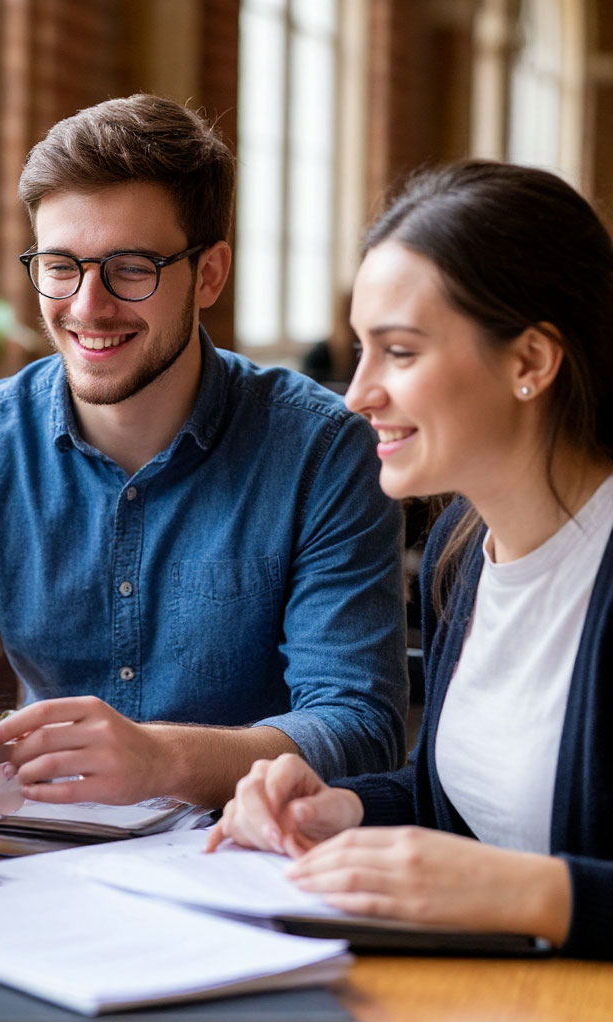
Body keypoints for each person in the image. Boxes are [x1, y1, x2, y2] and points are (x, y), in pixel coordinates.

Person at [0, 94, 407, 809]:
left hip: (244, 844)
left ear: (210, 274)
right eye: (61, 265)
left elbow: (360, 725)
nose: (87, 306)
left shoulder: (323, 450)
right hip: (34, 842)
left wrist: (162, 760)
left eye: (132, 267)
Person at [208, 160, 613, 957]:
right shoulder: (460, 556)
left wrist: (532, 894)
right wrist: (343, 808)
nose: (357, 393)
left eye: (398, 351)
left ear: (531, 361)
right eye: (361, 348)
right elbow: (464, 805)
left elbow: (511, 866)